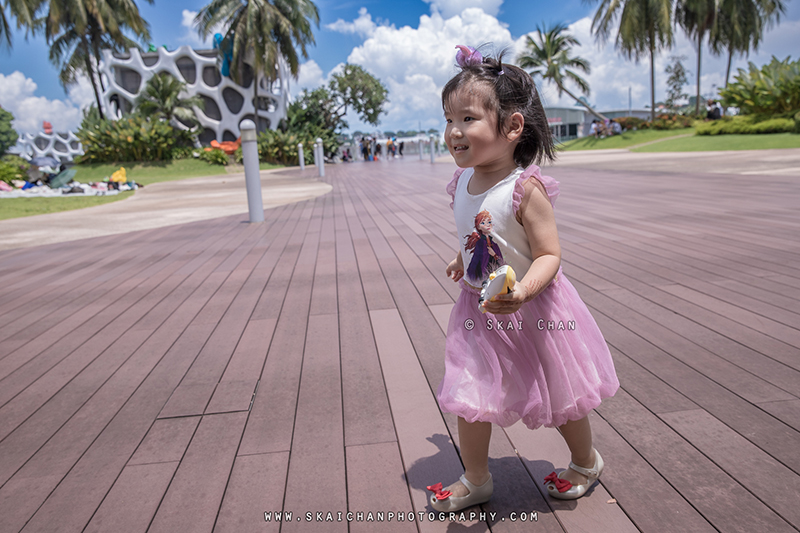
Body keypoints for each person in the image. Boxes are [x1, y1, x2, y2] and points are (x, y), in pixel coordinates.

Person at [427, 45, 619, 512]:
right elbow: (479, 234)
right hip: (480, 309)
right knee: (469, 391)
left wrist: (524, 290)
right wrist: (462, 259)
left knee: (560, 392)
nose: (454, 131)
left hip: (535, 311)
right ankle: (476, 478)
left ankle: (585, 461)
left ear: (513, 127)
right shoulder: (462, 182)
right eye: (448, 119)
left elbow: (549, 254)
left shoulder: (523, 189)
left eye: (468, 118)